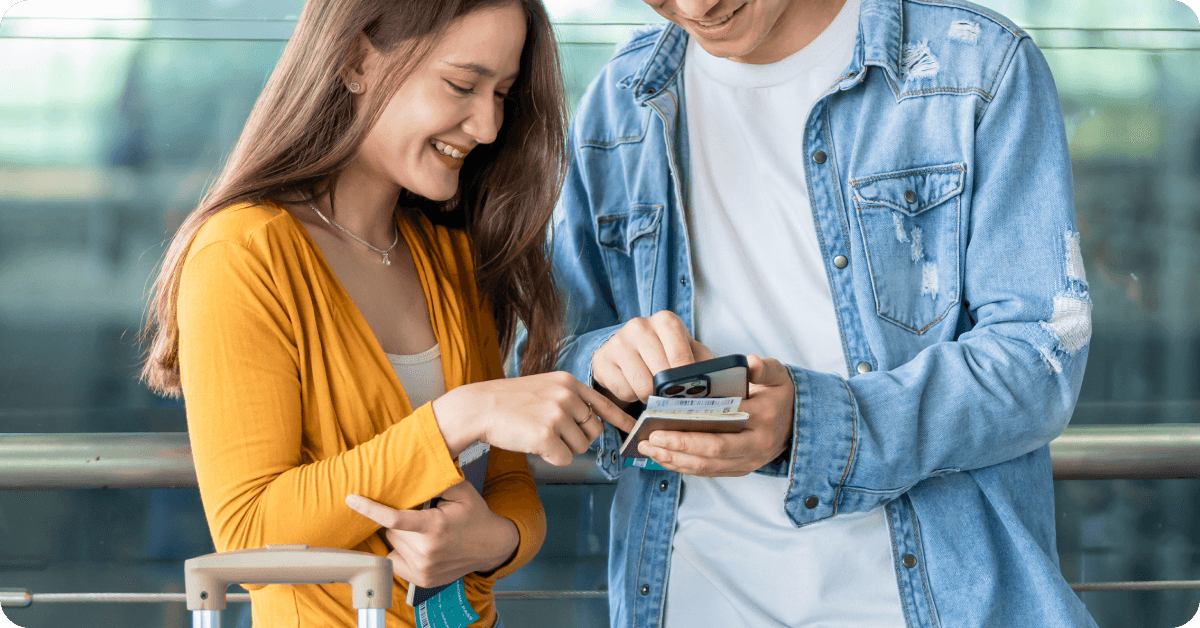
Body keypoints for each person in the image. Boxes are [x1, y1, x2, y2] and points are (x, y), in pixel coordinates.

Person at [543, 0, 1096, 625]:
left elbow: (1037, 359)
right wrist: (606, 360)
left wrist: (811, 426)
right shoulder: (618, 101)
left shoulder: (978, 65)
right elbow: (554, 353)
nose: (696, 7)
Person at [139, 1, 631, 626]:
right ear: (354, 61)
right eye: (462, 84)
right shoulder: (242, 253)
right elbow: (250, 536)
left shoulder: (448, 257)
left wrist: (493, 544)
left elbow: (511, 489)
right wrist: (460, 416)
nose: (486, 125)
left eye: (503, 94)